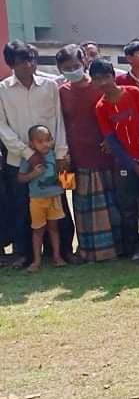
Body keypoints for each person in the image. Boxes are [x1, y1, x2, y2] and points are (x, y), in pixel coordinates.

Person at [1, 40, 75, 269]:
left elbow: (59, 121)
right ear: (12, 64)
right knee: (22, 207)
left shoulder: (50, 86)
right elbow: (2, 127)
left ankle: (64, 251)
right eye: (23, 61)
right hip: (19, 160)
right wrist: (28, 153)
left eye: (32, 59)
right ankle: (25, 254)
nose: (29, 64)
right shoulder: (3, 89)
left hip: (56, 158)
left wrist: (62, 153)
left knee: (62, 201)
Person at [91, 59, 139, 261]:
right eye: (97, 79)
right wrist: (132, 164)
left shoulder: (133, 92)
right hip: (125, 163)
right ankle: (134, 248)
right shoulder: (101, 107)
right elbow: (111, 140)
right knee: (128, 206)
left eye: (105, 77)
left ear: (113, 76)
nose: (103, 82)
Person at [57, 44, 123, 263]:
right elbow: (60, 123)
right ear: (60, 69)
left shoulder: (99, 87)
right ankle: (87, 250)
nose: (73, 70)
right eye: (68, 67)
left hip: (105, 152)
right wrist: (63, 154)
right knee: (80, 203)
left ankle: (115, 248)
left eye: (76, 65)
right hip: (73, 156)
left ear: (84, 62)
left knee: (111, 200)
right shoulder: (61, 92)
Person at [17, 125, 68, 272]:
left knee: (54, 228)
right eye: (40, 141)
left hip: (55, 198)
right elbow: (20, 178)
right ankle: (37, 261)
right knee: (38, 230)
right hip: (37, 200)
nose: (45, 144)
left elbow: (63, 173)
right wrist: (33, 174)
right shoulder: (29, 159)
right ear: (32, 144)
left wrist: (66, 163)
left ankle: (57, 257)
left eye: (48, 140)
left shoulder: (54, 155)